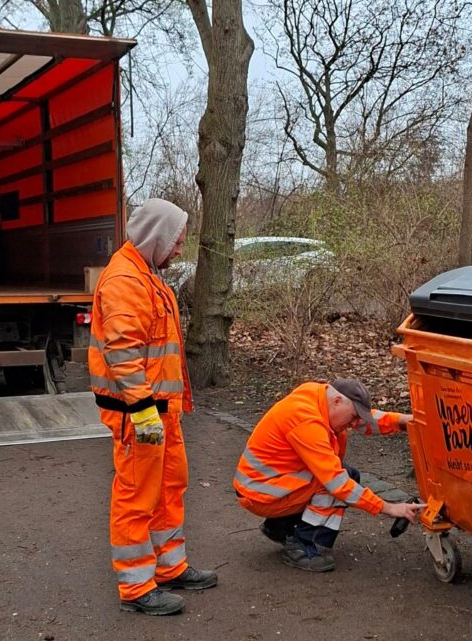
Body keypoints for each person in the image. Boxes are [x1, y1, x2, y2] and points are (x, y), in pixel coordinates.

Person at [89, 198, 216, 616]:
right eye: (176, 241)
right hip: (139, 413)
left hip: (160, 410)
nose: (180, 249)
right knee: (137, 495)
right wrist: (144, 411)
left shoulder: (147, 274)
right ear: (156, 238)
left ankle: (168, 566)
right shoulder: (126, 280)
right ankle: (137, 586)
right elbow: (122, 351)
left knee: (169, 487)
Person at [234, 378, 423, 572]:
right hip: (261, 493)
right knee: (339, 481)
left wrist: (402, 422)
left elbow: (365, 420)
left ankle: (280, 527)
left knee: (342, 475)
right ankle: (305, 547)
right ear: (338, 401)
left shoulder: (319, 398)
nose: (354, 424)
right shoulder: (306, 420)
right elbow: (336, 483)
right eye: (352, 417)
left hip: (264, 486)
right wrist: (388, 508)